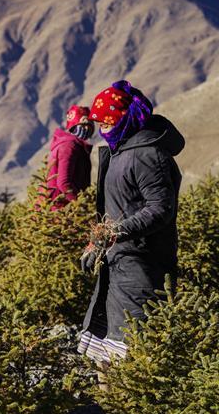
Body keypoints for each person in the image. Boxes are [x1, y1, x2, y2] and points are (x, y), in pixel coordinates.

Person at [78, 80, 185, 365]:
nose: (104, 128)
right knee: (106, 351)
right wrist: (97, 243)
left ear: (125, 118)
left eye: (109, 121)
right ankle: (108, 395)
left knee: (134, 351)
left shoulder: (149, 153)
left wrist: (115, 233)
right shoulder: (121, 152)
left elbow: (160, 208)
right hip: (118, 264)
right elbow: (115, 211)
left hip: (144, 266)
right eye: (100, 123)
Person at [44, 104, 94, 208]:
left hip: (64, 207)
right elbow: (64, 183)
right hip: (60, 208)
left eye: (90, 126)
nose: (87, 129)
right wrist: (81, 205)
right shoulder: (69, 146)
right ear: (74, 126)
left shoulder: (74, 146)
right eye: (84, 125)